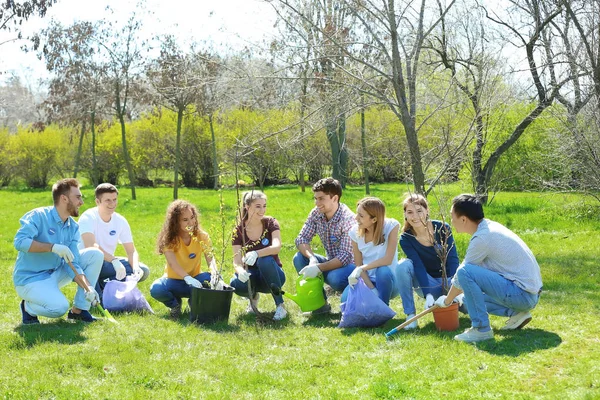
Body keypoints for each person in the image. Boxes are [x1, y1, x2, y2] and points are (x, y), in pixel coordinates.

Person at [434, 194, 543, 343]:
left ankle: (481, 329)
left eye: (452, 217)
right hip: (529, 294)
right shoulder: (489, 226)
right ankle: (517, 313)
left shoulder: (483, 238)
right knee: (464, 301)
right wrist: (453, 298)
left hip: (523, 294)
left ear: (464, 219)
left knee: (464, 272)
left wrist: (446, 301)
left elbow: (463, 275)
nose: (451, 221)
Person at [13, 178, 104, 324]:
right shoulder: (38, 216)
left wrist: (88, 288)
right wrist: (52, 247)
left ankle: (79, 310)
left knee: (94, 254)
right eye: (78, 197)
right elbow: (19, 242)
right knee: (59, 308)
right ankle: (28, 307)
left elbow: (73, 263)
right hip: (30, 279)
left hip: (54, 274)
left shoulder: (73, 227)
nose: (81, 202)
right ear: (64, 198)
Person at [78, 183, 150, 301]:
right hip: (86, 265)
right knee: (98, 302)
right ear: (97, 201)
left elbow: (131, 251)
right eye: (107, 200)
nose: (112, 204)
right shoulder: (88, 217)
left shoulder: (120, 221)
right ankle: (99, 287)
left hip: (107, 263)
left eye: (114, 199)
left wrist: (135, 267)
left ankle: (105, 283)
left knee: (144, 270)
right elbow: (91, 245)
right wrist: (114, 261)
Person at [397, 194, 460, 330]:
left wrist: (456, 287)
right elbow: (418, 265)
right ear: (405, 215)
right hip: (427, 282)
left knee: (467, 306)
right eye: (410, 212)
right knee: (403, 265)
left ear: (427, 211)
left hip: (449, 281)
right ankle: (410, 315)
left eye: (419, 211)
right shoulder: (406, 238)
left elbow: (453, 259)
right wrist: (428, 294)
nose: (415, 216)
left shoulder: (443, 228)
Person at [293, 177, 356, 313]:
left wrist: (318, 268)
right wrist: (312, 259)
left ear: (335, 198)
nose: (317, 203)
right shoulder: (316, 213)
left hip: (351, 266)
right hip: (330, 262)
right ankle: (320, 305)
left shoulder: (347, 219)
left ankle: (352, 299)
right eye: (315, 198)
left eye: (321, 198)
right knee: (299, 258)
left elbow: (345, 256)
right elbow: (301, 238)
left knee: (335, 278)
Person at [149, 200, 219, 319]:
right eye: (185, 220)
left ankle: (195, 304)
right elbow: (172, 263)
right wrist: (187, 278)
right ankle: (175, 305)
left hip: (196, 280)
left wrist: (214, 273)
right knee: (156, 289)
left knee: (215, 280)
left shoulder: (202, 236)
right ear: (175, 222)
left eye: (192, 218)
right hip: (174, 281)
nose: (191, 222)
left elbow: (210, 258)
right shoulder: (170, 239)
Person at [229, 190, 287, 321]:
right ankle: (253, 298)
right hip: (252, 275)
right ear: (247, 207)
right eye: (258, 206)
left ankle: (280, 305)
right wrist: (240, 271)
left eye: (264, 206)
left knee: (264, 260)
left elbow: (277, 247)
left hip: (273, 277)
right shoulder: (238, 230)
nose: (262, 210)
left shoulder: (270, 223)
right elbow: (236, 261)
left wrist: (256, 253)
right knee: (235, 283)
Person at [340, 197, 400, 306]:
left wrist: (363, 268)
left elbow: (388, 259)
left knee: (383, 271)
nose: (356, 218)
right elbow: (358, 264)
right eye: (357, 213)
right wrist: (372, 289)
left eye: (361, 216)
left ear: (374, 219)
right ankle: (373, 302)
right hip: (368, 280)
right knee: (344, 300)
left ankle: (383, 307)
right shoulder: (354, 232)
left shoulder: (391, 227)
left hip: (390, 281)